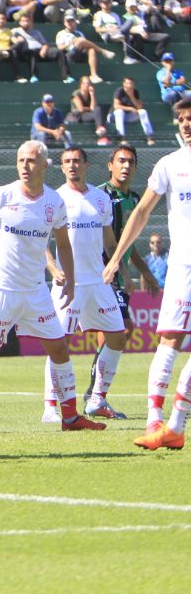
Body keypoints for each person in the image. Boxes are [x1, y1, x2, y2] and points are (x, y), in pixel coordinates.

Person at [0, 140, 105, 435]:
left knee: (59, 348)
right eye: (20, 160)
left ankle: (70, 417)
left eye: (31, 160)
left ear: (44, 164)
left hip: (36, 291)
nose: (25, 166)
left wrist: (70, 279)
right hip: (2, 289)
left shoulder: (54, 202)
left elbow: (63, 244)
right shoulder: (1, 196)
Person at [104, 99, 191, 448]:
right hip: (183, 266)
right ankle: (155, 419)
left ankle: (176, 425)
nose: (186, 124)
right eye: (181, 119)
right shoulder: (170, 164)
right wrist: (117, 257)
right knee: (170, 338)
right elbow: (140, 212)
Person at [37, 147, 126, 423]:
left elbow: (109, 241)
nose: (72, 165)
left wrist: (120, 268)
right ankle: (50, 408)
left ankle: (97, 399)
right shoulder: (54, 198)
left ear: (86, 165)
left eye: (76, 161)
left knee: (118, 337)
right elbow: (40, 240)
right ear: (61, 167)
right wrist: (53, 268)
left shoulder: (101, 198)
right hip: (69, 284)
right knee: (59, 343)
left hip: (98, 282)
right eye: (67, 162)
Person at [83, 144, 158, 404]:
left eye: (131, 162)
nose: (126, 166)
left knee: (118, 330)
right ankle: (92, 392)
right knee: (122, 329)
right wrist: (123, 272)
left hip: (117, 274)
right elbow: (109, 243)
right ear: (110, 165)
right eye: (121, 161)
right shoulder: (100, 196)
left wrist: (145, 272)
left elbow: (128, 243)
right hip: (102, 273)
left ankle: (94, 393)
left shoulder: (135, 199)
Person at [112, 77, 158, 146]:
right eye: (127, 83)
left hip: (129, 117)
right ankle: (121, 137)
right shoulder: (119, 91)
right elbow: (116, 106)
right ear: (124, 84)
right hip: (115, 117)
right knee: (119, 112)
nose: (129, 85)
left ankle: (149, 136)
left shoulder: (135, 92)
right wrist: (130, 108)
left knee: (143, 112)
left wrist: (131, 96)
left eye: (131, 84)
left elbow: (139, 107)